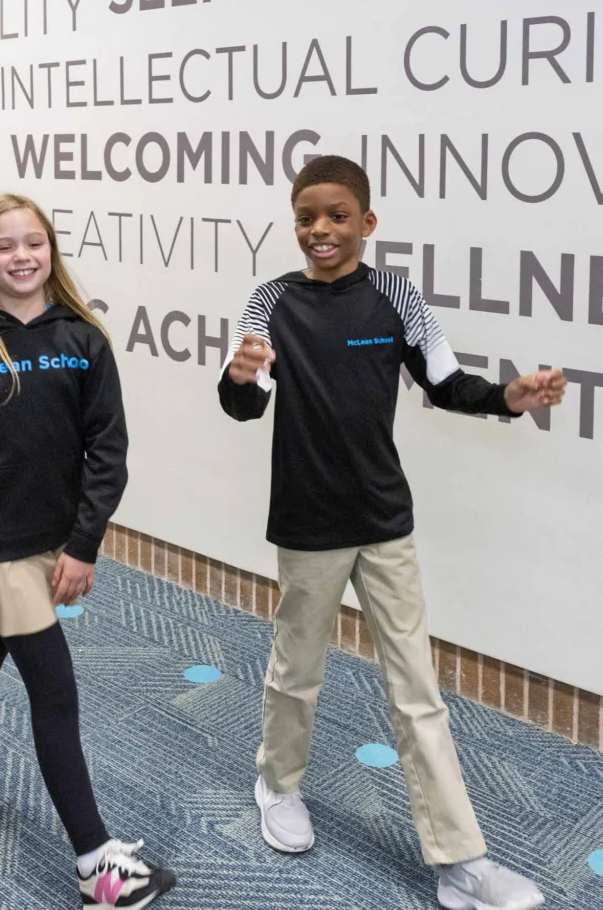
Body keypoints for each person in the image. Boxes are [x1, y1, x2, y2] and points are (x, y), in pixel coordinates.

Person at [218, 155, 565, 910]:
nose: (320, 229)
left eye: (337, 215)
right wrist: (241, 378)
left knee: (417, 691)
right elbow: (244, 402)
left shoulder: (396, 297)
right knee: (296, 671)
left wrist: (507, 396)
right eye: (306, 215)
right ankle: (278, 784)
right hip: (308, 523)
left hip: (383, 520)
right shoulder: (269, 301)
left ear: (366, 223)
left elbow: (447, 384)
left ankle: (459, 863)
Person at [0, 194, 176, 910]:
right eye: (3, 246)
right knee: (54, 691)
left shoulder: (83, 338)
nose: (22, 257)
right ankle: (96, 864)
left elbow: (106, 452)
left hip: (53, 539)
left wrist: (83, 544)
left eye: (35, 243)